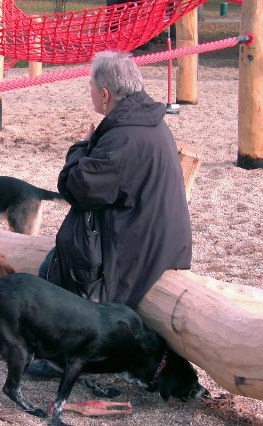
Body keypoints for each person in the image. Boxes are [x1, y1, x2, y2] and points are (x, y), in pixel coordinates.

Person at [29, 51, 192, 378]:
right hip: (159, 237)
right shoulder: (147, 121)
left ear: (105, 94)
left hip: (139, 248)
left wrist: (80, 147)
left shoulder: (123, 137)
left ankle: (63, 354)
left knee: (57, 267)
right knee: (55, 258)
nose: (89, 91)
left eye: (91, 86)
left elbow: (76, 188)